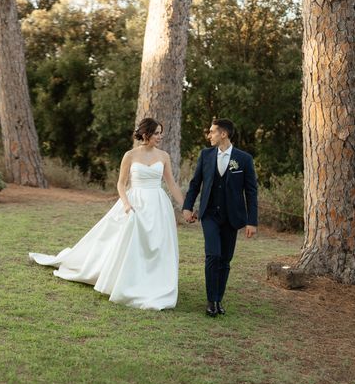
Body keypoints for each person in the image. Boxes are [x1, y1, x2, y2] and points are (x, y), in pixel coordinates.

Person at [29, 118, 184, 310]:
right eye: (157, 133)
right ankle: (127, 278)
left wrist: (185, 207)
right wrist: (126, 204)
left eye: (161, 133)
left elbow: (171, 184)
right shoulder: (130, 155)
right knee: (130, 242)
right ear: (146, 134)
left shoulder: (164, 156)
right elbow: (121, 183)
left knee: (156, 244)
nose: (161, 137)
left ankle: (154, 280)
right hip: (135, 202)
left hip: (158, 204)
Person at [182, 118, 258, 317]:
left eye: (212, 132)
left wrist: (252, 221)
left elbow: (251, 192)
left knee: (225, 259)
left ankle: (218, 299)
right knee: (213, 255)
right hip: (209, 214)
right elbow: (195, 183)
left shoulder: (244, 159)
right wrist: (187, 207)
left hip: (232, 217)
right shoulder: (205, 155)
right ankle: (211, 300)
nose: (209, 135)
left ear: (223, 134)